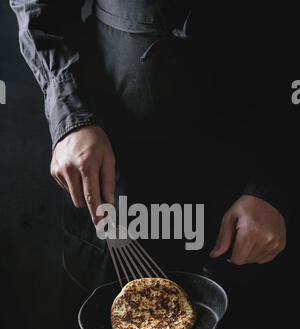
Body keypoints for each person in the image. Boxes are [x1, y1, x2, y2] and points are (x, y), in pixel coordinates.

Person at [10, 0, 288, 294]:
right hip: (115, 156)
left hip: (251, 176)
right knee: (117, 317)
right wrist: (72, 115)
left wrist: (273, 185)